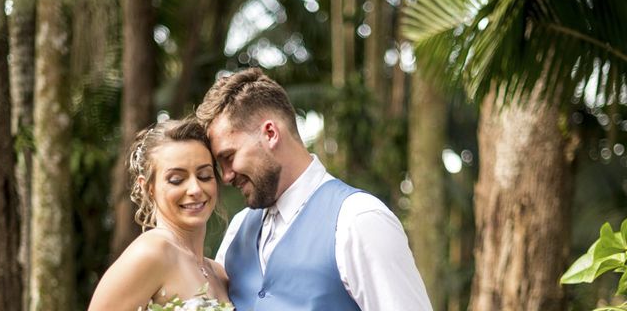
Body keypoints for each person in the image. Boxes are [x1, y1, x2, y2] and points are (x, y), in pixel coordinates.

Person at [196, 67, 433, 311]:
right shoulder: (238, 228)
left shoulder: (359, 219)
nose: (225, 176)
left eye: (229, 156)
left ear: (270, 134)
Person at [88, 119, 231, 311]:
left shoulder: (219, 274)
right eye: (176, 180)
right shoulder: (151, 252)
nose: (195, 189)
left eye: (204, 176)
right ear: (148, 188)